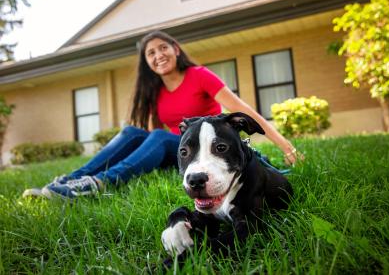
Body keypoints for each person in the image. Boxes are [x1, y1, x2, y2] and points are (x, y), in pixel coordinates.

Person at [23, 31, 301, 199]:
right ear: (147, 63)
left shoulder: (199, 76)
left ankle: (98, 184)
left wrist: (286, 147)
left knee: (159, 136)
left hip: (206, 155)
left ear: (176, 50)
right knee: (132, 132)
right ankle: (72, 179)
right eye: (151, 53)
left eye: (163, 48)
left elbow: (245, 111)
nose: (158, 55)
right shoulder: (154, 91)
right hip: (181, 157)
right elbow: (146, 143)